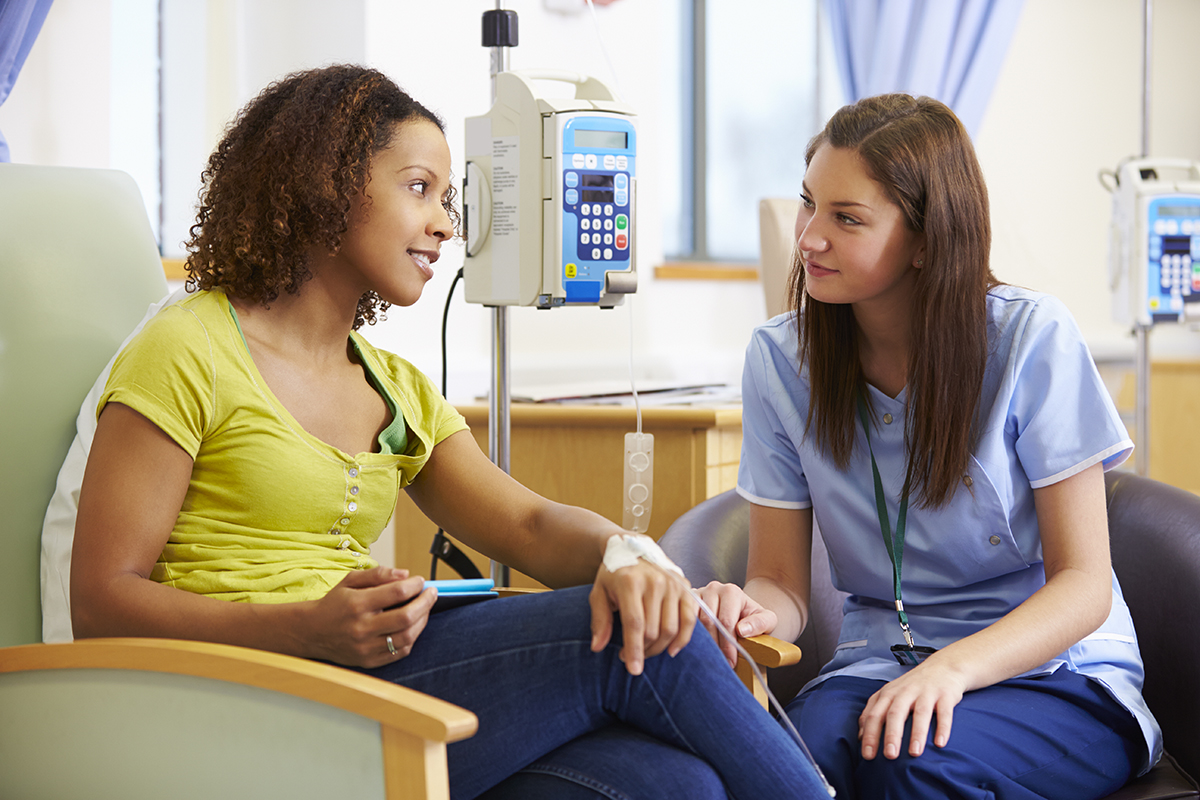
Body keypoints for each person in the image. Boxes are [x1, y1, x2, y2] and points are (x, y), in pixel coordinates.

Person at [68, 64, 831, 800]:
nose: (445, 223)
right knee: (646, 643)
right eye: (418, 189)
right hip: (248, 699)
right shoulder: (188, 348)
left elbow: (529, 523)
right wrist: (308, 627)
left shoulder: (389, 385)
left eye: (448, 196)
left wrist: (631, 557)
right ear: (325, 188)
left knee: (672, 782)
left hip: (367, 675)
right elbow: (100, 604)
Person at [699, 93, 1163, 799]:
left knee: (911, 764)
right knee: (784, 768)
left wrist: (951, 670)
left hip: (1052, 671)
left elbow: (1084, 586)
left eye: (846, 218)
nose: (808, 239)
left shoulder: (1030, 339)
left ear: (925, 239)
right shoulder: (779, 360)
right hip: (878, 665)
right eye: (808, 203)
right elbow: (784, 585)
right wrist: (747, 608)